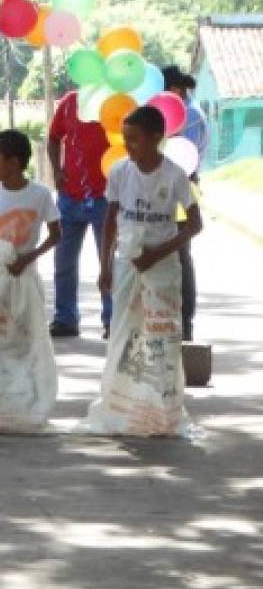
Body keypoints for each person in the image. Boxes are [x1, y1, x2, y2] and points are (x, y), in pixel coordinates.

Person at [85, 105, 203, 436]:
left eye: (135, 139)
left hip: (162, 265)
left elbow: (194, 225)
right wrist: (105, 265)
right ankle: (121, 403)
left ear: (156, 138)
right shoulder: (121, 172)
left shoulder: (174, 176)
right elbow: (110, 221)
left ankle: (161, 405)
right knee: (124, 329)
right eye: (125, 139)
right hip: (127, 263)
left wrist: (158, 253)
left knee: (161, 332)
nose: (129, 146)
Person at [0, 129, 61, 432]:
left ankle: (26, 403)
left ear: (14, 162)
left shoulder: (39, 195)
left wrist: (28, 258)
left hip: (25, 277)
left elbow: (56, 235)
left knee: (25, 338)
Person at [47, 88, 112, 339]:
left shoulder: (114, 101)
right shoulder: (69, 102)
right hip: (69, 196)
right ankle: (65, 318)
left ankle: (112, 319)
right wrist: (56, 170)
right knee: (63, 261)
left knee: (107, 262)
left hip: (106, 197)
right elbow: (53, 138)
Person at [163, 64, 206, 341]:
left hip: (180, 191)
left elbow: (181, 160)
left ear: (174, 90)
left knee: (180, 256)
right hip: (160, 189)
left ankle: (185, 323)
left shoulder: (188, 116)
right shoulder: (184, 110)